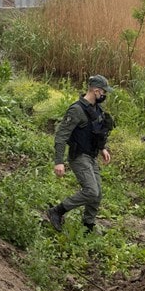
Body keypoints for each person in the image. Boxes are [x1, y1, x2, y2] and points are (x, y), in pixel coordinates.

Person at [44, 74, 116, 232]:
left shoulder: (96, 109)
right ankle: (57, 211)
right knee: (91, 191)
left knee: (97, 195)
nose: (105, 95)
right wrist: (59, 161)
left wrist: (102, 148)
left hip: (91, 156)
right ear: (96, 91)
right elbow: (61, 136)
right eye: (104, 92)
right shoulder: (76, 110)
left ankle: (88, 225)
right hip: (79, 157)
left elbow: (96, 132)